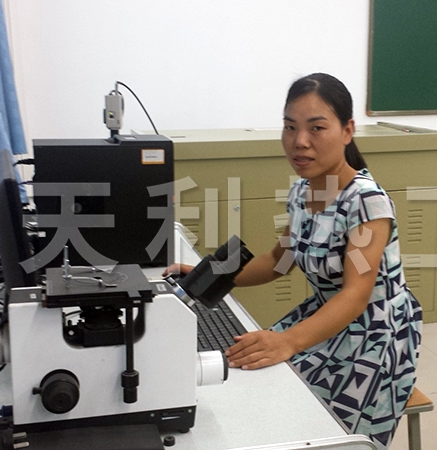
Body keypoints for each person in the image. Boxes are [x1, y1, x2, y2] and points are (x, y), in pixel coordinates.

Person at [165, 73, 422, 447]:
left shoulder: (366, 203)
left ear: (347, 131)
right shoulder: (303, 191)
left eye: (317, 128)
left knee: (315, 424)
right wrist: (209, 273)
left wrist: (287, 341)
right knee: (256, 374)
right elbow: (278, 260)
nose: (299, 141)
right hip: (327, 315)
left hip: (375, 335)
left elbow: (356, 294)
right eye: (290, 127)